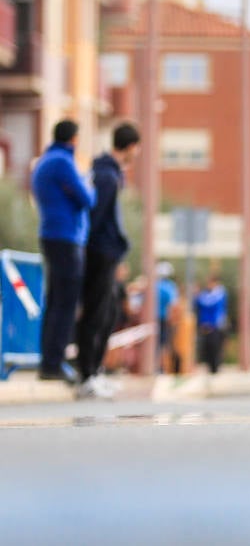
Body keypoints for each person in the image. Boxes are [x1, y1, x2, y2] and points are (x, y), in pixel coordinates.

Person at [74, 122, 140, 399]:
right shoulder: (106, 176)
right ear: (129, 147)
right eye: (136, 148)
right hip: (100, 253)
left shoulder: (109, 173)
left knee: (108, 312)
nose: (136, 153)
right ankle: (86, 374)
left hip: (107, 252)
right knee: (96, 312)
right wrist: (96, 251)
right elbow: (97, 218)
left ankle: (95, 371)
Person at [31, 119, 96, 383]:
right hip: (67, 237)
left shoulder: (44, 162)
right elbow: (87, 199)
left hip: (50, 234)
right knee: (66, 303)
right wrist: (87, 182)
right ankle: (53, 363)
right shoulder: (63, 162)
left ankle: (49, 361)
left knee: (55, 301)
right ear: (74, 139)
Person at [194, 275, 229, 375]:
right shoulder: (205, 294)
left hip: (216, 326)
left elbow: (208, 303)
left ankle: (216, 368)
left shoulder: (220, 294)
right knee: (207, 348)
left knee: (216, 348)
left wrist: (198, 295)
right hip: (205, 325)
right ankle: (210, 367)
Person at [156, 261, 179, 372]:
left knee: (156, 344)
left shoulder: (154, 285)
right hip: (164, 319)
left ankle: (156, 366)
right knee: (164, 345)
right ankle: (161, 368)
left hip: (153, 319)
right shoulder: (170, 287)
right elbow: (173, 305)